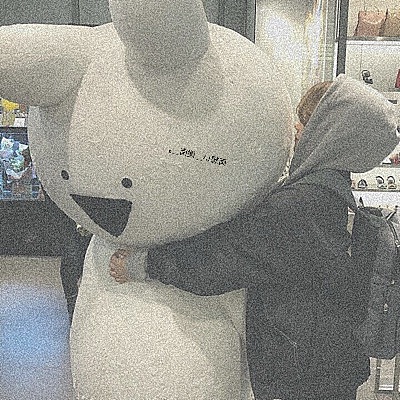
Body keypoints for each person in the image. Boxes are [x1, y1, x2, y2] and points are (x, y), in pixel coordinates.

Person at [110, 74, 399, 400]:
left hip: (301, 374)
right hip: (327, 361)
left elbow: (220, 262)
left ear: (328, 133)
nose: (295, 129)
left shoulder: (299, 205)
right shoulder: (329, 192)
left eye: (305, 122)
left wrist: (144, 262)